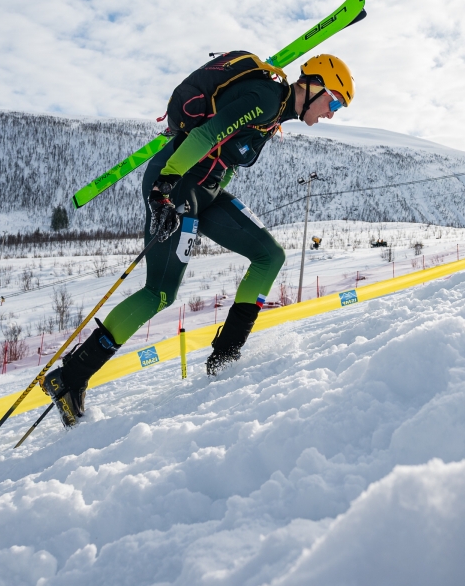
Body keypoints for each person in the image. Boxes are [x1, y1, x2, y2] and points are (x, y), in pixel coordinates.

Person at [42, 53, 355, 427]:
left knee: (270, 255)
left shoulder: (275, 115)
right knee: (160, 292)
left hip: (205, 192)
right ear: (314, 85)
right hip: (176, 183)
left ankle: (226, 355)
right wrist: (165, 187)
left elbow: (225, 152)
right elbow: (206, 135)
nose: (331, 113)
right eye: (334, 101)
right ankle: (73, 375)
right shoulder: (266, 98)